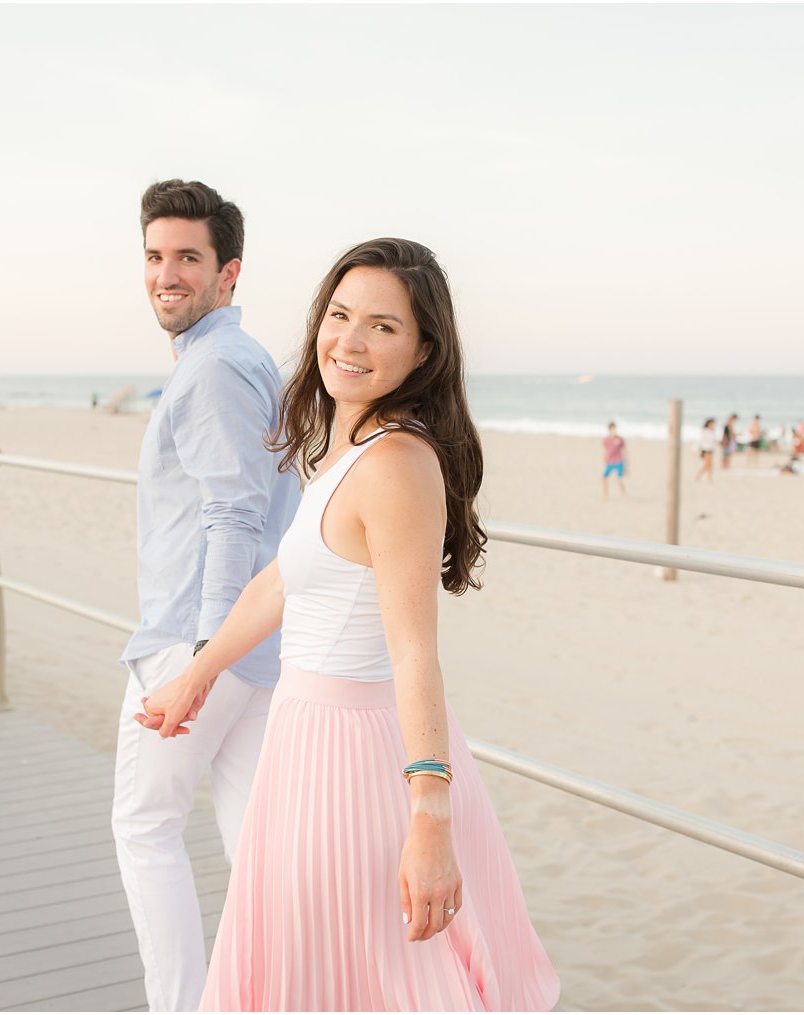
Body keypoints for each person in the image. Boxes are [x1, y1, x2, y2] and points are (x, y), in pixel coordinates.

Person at [137, 238, 560, 1011]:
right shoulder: (346, 445)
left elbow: (413, 652)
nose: (350, 341)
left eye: (383, 326)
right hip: (304, 744)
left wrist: (430, 816)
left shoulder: (397, 463)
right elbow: (279, 582)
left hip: (360, 762)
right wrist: (195, 674)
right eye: (339, 315)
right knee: (317, 976)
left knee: (371, 981)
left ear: (424, 349)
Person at [112, 179, 301, 1013]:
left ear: (228, 273)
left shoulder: (216, 368)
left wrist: (200, 658)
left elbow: (235, 509)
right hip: (253, 649)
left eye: (187, 257)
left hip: (200, 640)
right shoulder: (242, 357)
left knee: (145, 827)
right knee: (257, 851)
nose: (166, 274)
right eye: (155, 256)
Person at [601, 420, 627, 498]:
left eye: (615, 429)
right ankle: (605, 495)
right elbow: (605, 449)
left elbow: (624, 451)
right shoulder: (606, 439)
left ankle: (624, 494)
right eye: (612, 430)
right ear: (609, 430)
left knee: (619, 480)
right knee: (604, 478)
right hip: (610, 462)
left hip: (619, 461)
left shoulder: (620, 439)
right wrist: (604, 457)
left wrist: (626, 464)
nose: (614, 431)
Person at [694, 417, 717, 482]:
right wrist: (696, 449)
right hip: (705, 449)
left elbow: (713, 441)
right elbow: (700, 440)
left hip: (711, 450)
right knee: (707, 464)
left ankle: (708, 477)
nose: (713, 425)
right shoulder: (705, 431)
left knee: (710, 464)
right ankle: (699, 476)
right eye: (712, 423)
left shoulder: (712, 431)